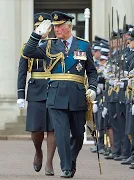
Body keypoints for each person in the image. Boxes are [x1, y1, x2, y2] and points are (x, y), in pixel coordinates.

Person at [22, 11, 98, 178]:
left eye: (60, 26)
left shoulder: (83, 46)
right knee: (62, 133)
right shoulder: (49, 45)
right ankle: (66, 167)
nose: (56, 30)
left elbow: (92, 71)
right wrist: (36, 34)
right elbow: (27, 52)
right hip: (56, 96)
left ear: (69, 26)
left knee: (78, 135)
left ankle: (70, 162)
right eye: (54, 27)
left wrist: (92, 87)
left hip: (77, 95)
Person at [17, 12, 56, 176]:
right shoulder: (28, 46)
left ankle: (49, 162)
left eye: (44, 27)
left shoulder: (56, 45)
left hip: (54, 88)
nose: (41, 30)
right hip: (35, 90)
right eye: (37, 27)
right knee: (36, 129)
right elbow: (22, 72)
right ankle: (38, 151)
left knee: (53, 128)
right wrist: (20, 94)